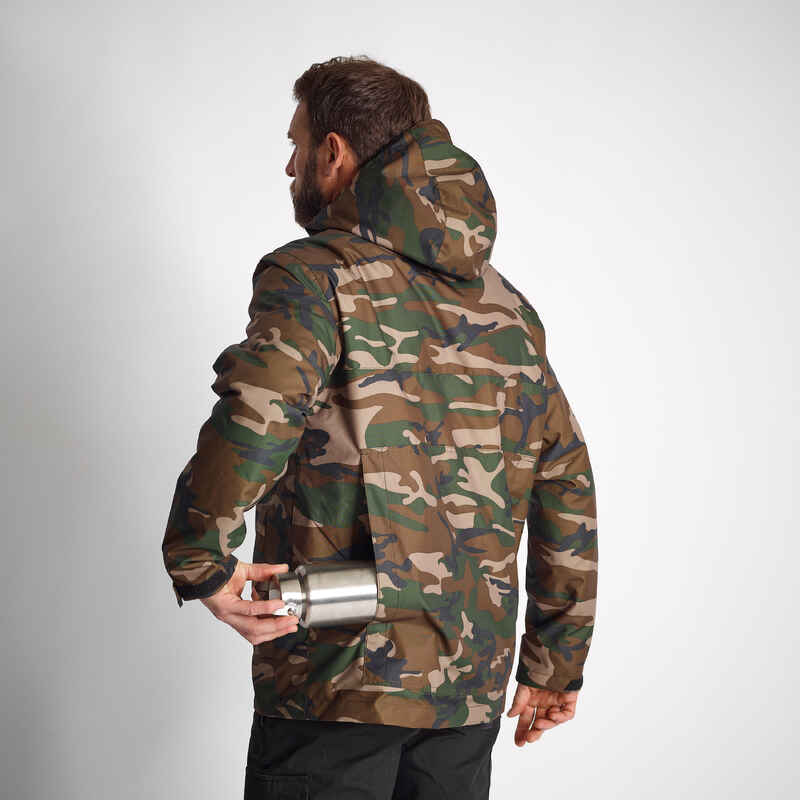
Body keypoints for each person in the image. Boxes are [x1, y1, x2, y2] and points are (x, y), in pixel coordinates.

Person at [161, 55, 598, 800]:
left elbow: (260, 411)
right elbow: (565, 477)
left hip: (339, 677)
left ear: (334, 152)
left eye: (297, 143)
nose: (290, 165)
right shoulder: (510, 311)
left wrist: (199, 556)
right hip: (467, 688)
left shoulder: (312, 274)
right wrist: (555, 662)